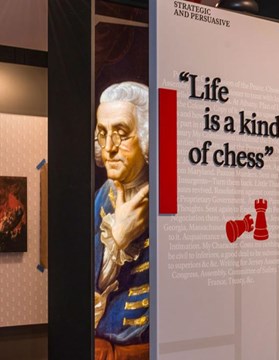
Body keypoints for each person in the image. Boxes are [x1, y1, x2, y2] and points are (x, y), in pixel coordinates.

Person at [93, 81, 150, 360]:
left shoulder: (165, 196)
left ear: (146, 136)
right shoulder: (103, 197)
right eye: (102, 133)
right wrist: (117, 237)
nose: (109, 147)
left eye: (121, 133)